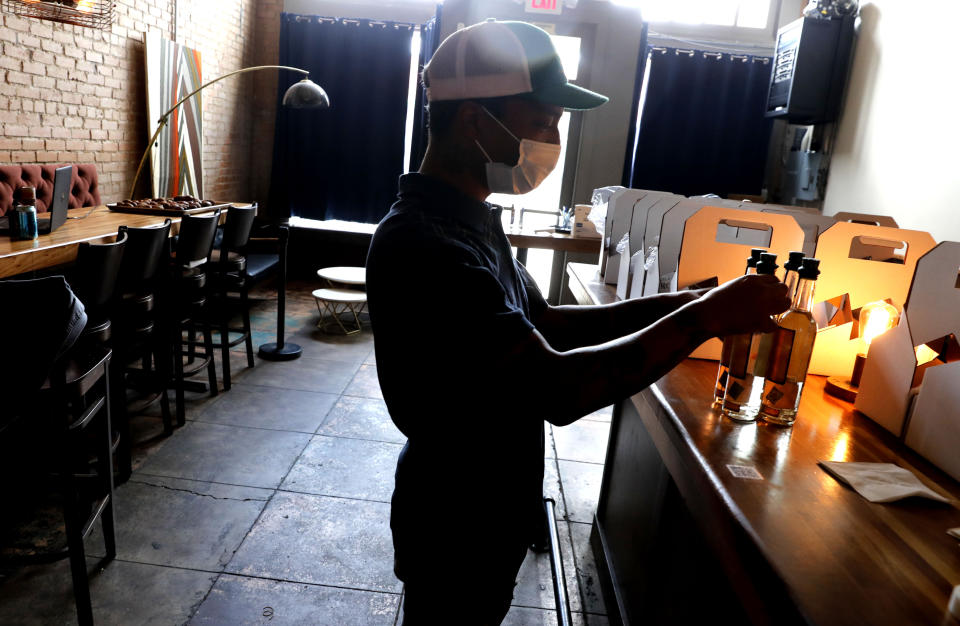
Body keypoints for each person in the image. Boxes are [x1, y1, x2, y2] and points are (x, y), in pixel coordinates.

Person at [365, 20, 789, 626]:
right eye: (541, 123)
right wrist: (706, 318)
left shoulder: (471, 220)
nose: (552, 142)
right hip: (456, 515)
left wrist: (682, 303)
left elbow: (548, 324)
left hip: (493, 501)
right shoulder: (426, 245)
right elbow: (561, 389)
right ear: (475, 120)